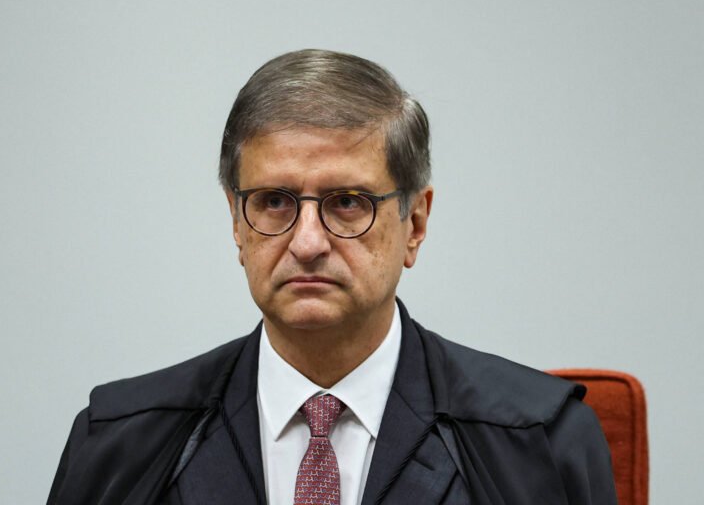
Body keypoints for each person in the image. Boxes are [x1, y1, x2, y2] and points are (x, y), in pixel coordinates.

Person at [47, 49, 617, 505]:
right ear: (237, 224)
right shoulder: (118, 441)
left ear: (415, 224)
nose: (308, 242)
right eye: (274, 201)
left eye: (347, 202)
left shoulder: (540, 441)